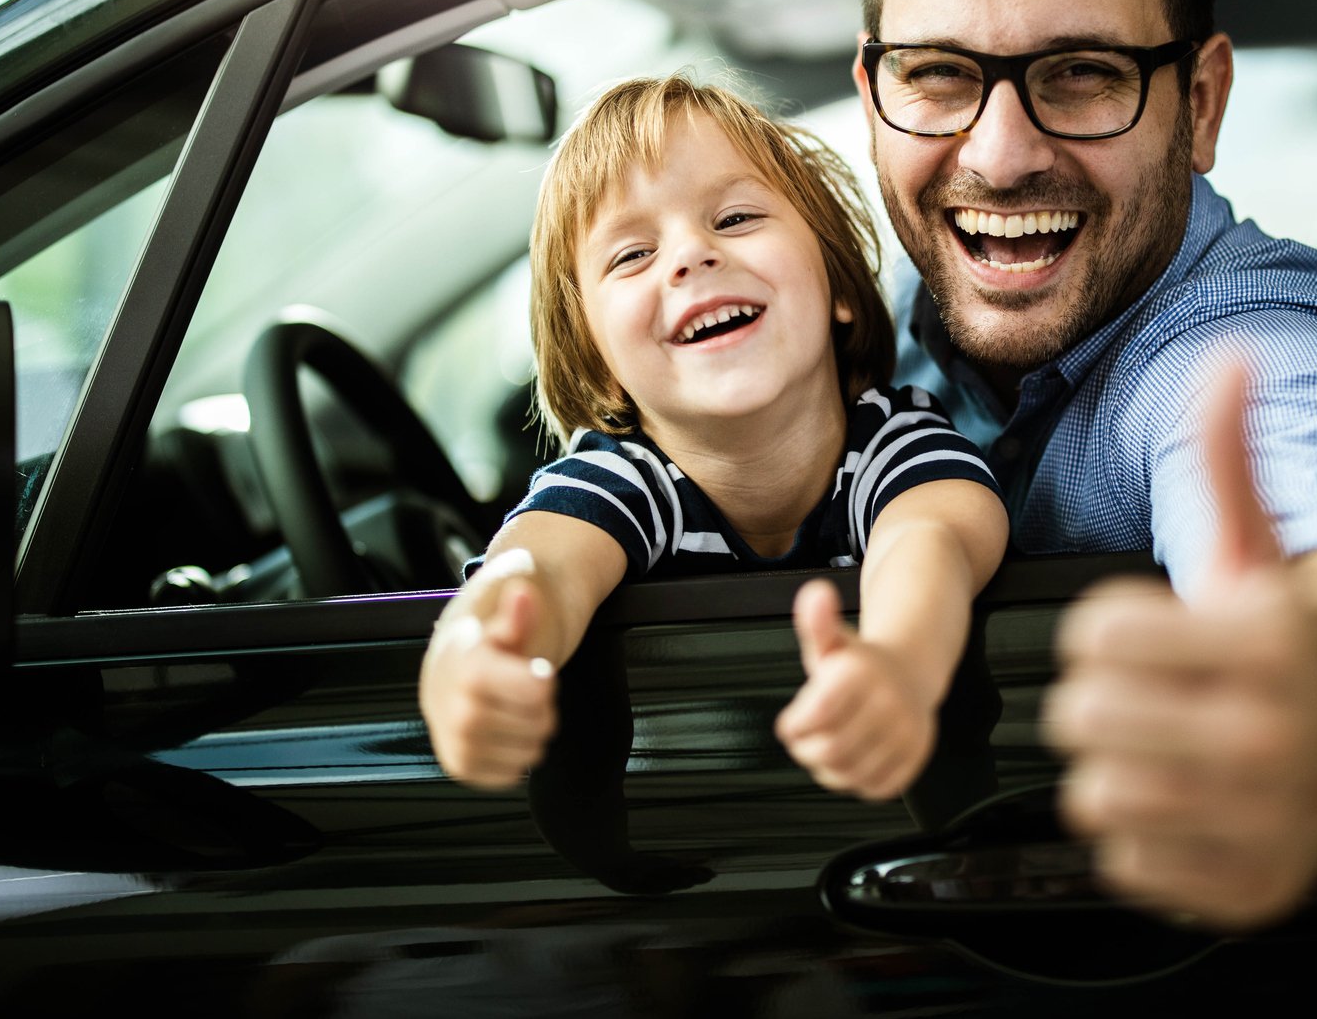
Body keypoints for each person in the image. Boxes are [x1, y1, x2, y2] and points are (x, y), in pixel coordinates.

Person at [853, 0, 1317, 928]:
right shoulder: (869, 313)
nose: (996, 154)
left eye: (1081, 73)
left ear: (1198, 103)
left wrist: (1311, 717)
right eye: (938, 74)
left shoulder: (1248, 354)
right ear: (873, 89)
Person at [418, 75, 1008, 802]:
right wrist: (471, 651)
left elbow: (934, 541)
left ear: (840, 286)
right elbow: (536, 571)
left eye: (733, 218)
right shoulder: (624, 480)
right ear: (598, 366)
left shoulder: (894, 439)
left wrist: (896, 662)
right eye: (630, 255)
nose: (690, 255)